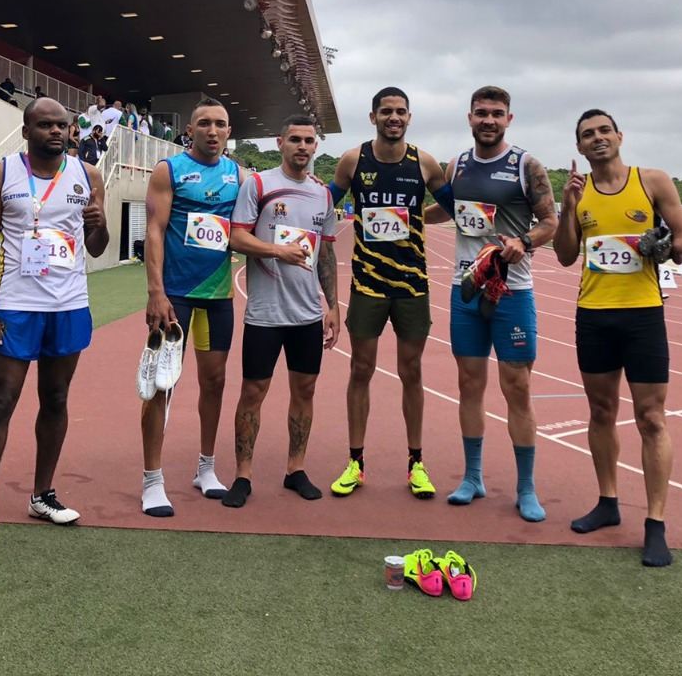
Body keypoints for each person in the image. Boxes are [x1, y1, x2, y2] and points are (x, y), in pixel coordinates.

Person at [553, 108, 682, 567]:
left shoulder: (652, 181)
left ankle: (655, 524)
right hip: (594, 315)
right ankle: (608, 502)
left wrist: (664, 246)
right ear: (579, 147)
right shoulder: (580, 192)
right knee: (600, 412)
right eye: (587, 135)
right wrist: (567, 207)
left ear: (619, 136)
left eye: (604, 131)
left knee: (651, 418)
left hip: (642, 316)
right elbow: (564, 255)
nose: (597, 138)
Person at [0, 97, 109, 556]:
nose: (56, 132)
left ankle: (42, 495)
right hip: (15, 305)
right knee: (1, 401)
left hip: (69, 304)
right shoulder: (0, 174)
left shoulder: (88, 175)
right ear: (27, 131)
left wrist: (99, 224)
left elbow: (97, 246)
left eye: (62, 125)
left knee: (57, 398)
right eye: (45, 125)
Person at [423, 86, 558, 521]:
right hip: (466, 289)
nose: (489, 120)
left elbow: (550, 221)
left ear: (508, 119)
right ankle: (472, 477)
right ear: (470, 117)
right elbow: (448, 211)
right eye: (481, 112)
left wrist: (524, 241)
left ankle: (526, 488)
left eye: (497, 113)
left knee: (517, 387)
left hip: (512, 291)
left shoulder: (526, 165)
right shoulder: (457, 165)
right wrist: (406, 217)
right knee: (469, 385)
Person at [326, 87, 454, 500]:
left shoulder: (425, 163)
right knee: (360, 369)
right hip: (367, 282)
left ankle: (416, 463)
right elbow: (324, 204)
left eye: (400, 111)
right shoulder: (353, 160)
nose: (393, 117)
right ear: (373, 117)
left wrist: (417, 217)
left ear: (409, 117)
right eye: (386, 111)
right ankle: (355, 462)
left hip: (412, 284)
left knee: (411, 371)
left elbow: (452, 207)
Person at [221, 115, 340, 508]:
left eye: (309, 140)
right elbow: (236, 237)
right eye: (295, 139)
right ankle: (243, 475)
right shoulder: (259, 185)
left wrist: (333, 305)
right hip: (265, 314)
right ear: (280, 142)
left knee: (305, 391)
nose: (302, 146)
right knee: (253, 392)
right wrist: (277, 251)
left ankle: (295, 469)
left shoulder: (323, 194)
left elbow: (326, 254)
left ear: (316, 146)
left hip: (307, 315)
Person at [141, 97, 245, 516]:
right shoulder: (169, 170)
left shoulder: (239, 175)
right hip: (176, 296)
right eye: (204, 123)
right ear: (190, 130)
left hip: (218, 296)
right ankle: (152, 480)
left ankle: (206, 468)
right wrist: (156, 291)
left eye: (220, 124)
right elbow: (154, 229)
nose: (213, 131)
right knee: (161, 384)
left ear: (229, 131)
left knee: (215, 382)